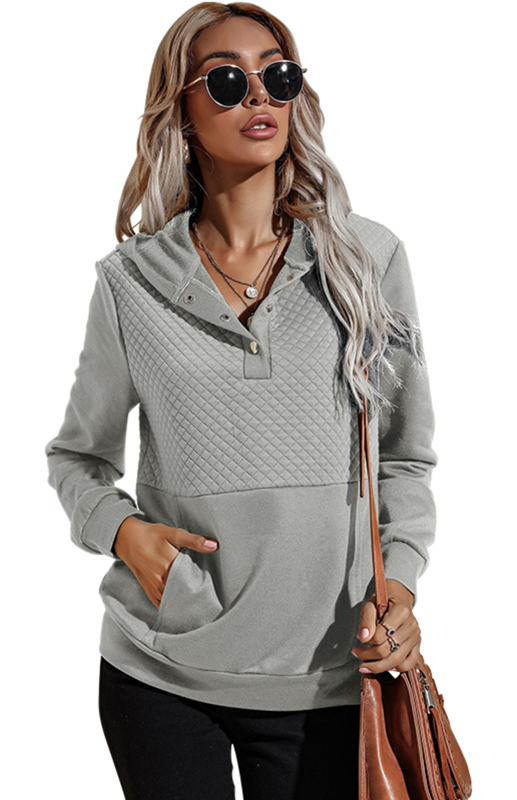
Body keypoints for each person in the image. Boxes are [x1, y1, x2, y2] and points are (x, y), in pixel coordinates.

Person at [44, 3, 438, 798]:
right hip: (162, 669)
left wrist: (397, 584)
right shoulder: (130, 283)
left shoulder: (367, 261)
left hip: (329, 673)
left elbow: (401, 456)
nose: (259, 95)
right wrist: (124, 534)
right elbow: (78, 457)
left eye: (277, 75)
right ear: (182, 112)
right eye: (226, 80)